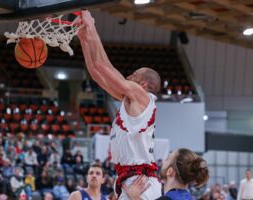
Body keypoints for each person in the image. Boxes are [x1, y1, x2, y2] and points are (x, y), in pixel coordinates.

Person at [76, 10, 162, 200]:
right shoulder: (131, 100)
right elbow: (97, 74)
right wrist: (83, 39)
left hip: (141, 180)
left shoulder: (143, 97)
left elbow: (104, 66)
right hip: (128, 178)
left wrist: (92, 29)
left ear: (144, 84)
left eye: (135, 75)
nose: (130, 76)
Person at [123, 148, 209, 200]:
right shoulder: (187, 197)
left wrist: (134, 196)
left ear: (170, 172)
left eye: (167, 158)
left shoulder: (169, 198)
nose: (164, 161)